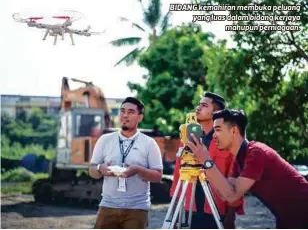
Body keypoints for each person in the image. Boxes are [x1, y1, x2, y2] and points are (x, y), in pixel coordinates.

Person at [188, 109, 308, 228]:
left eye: (217, 130)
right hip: (287, 217)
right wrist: (203, 161)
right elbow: (226, 193)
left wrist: (206, 161)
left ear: (234, 131)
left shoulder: (256, 153)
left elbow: (232, 195)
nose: (213, 135)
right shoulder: (240, 158)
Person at [170, 92, 244, 229]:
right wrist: (174, 209)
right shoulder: (188, 139)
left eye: (204, 105)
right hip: (190, 208)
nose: (198, 108)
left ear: (216, 112)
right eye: (198, 104)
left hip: (216, 208)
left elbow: (235, 179)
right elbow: (177, 175)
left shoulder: (226, 141)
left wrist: (231, 214)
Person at [89, 97, 163, 229]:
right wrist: (101, 168)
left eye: (131, 112)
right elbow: (92, 170)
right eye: (122, 111)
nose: (125, 115)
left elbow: (158, 176)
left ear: (140, 117)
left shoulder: (149, 143)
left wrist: (137, 170)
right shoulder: (105, 140)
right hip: (108, 206)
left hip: (137, 208)